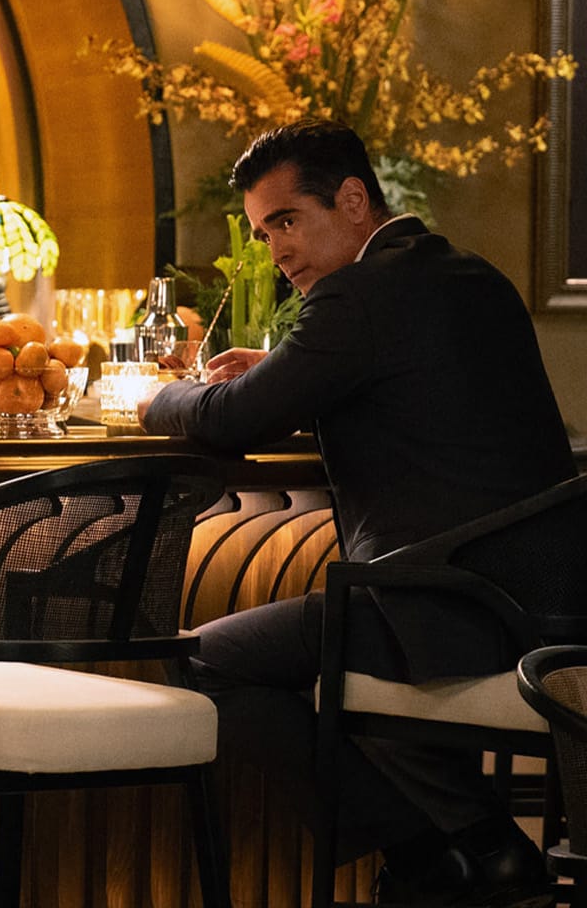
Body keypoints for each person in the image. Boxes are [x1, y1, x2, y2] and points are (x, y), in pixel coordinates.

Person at [140, 119, 577, 906]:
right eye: (262, 230)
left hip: (441, 604)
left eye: (285, 221)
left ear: (351, 200)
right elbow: (424, 389)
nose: (275, 250)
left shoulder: (358, 294)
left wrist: (156, 396)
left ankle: (454, 849)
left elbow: (231, 422)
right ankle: (460, 853)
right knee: (337, 662)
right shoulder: (467, 272)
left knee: (204, 659)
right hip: (540, 599)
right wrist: (283, 371)